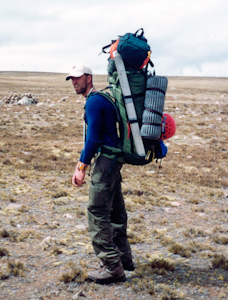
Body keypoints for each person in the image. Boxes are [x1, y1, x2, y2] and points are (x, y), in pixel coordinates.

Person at [67, 64, 135, 284]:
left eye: (78, 78)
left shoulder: (95, 101)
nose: (74, 82)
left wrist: (82, 167)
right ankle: (124, 260)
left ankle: (112, 267)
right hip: (114, 159)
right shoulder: (103, 98)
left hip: (106, 161)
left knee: (97, 210)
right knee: (116, 209)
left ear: (88, 77)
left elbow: (93, 139)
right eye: (72, 79)